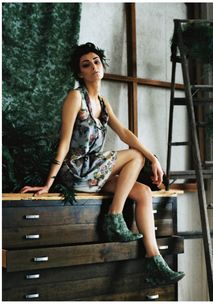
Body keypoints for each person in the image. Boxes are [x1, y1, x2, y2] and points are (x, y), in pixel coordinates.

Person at [21, 42, 185, 286]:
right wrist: (48, 183)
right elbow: (65, 143)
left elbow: (125, 133)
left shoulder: (103, 103)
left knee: (143, 192)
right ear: (80, 73)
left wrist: (154, 158)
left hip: (94, 172)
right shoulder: (76, 98)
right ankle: (114, 217)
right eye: (86, 65)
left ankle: (155, 263)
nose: (93, 67)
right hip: (75, 169)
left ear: (102, 66)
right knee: (134, 156)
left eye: (96, 61)